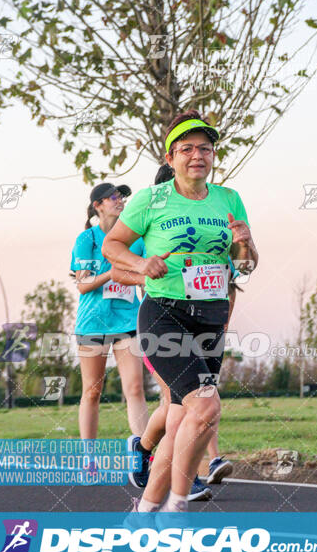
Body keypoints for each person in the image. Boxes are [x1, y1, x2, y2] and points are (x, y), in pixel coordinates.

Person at [103, 109, 258, 512]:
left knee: (178, 421)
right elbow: (112, 246)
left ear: (212, 156)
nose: (197, 155)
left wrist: (245, 245)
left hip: (210, 318)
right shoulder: (150, 199)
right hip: (164, 313)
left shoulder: (230, 199)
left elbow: (245, 267)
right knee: (205, 405)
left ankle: (144, 512)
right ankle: (177, 506)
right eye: (186, 149)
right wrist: (141, 265)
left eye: (205, 148)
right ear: (170, 159)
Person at [121, 163, 237, 501]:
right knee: (193, 404)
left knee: (186, 407)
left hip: (205, 322)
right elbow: (119, 269)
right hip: (163, 322)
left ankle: (146, 455)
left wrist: (223, 313)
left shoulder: (212, 226)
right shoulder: (152, 225)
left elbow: (230, 274)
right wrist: (147, 271)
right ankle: (186, 475)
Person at [70, 183, 149, 439]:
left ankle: (143, 453)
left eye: (122, 197)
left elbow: (144, 277)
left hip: (128, 322)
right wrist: (111, 274)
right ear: (98, 205)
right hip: (93, 324)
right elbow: (82, 285)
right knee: (92, 391)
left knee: (135, 388)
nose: (120, 201)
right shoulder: (87, 239)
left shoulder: (136, 240)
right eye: (113, 197)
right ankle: (89, 456)